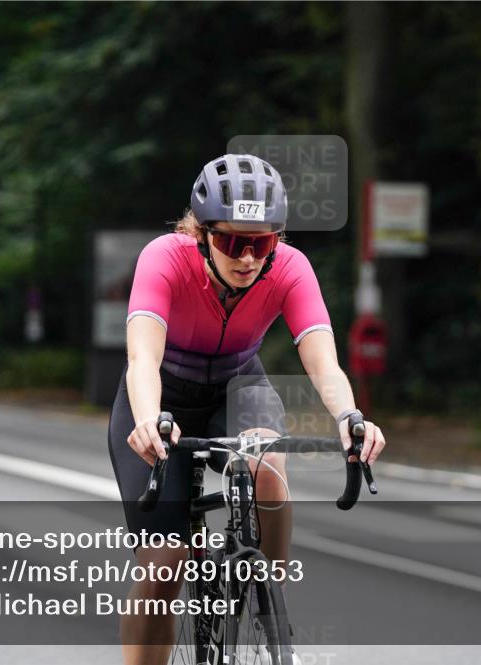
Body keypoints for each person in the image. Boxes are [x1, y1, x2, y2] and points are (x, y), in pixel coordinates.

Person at [107, 153, 386, 665]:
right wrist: (148, 420)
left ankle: (269, 612)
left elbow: (323, 361)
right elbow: (141, 357)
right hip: (161, 396)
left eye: (262, 243)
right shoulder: (164, 257)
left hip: (239, 386)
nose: (248, 258)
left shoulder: (291, 268)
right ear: (201, 232)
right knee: (163, 563)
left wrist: (350, 418)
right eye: (232, 241)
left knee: (268, 468)